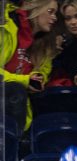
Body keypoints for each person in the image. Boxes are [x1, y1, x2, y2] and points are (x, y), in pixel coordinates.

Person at [0, 0, 60, 133]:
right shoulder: (6, 26)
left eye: (56, 13)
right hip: (8, 97)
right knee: (15, 89)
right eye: (50, 12)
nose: (54, 17)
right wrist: (26, 80)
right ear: (36, 9)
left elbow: (43, 71)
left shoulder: (45, 45)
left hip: (14, 110)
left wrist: (38, 79)